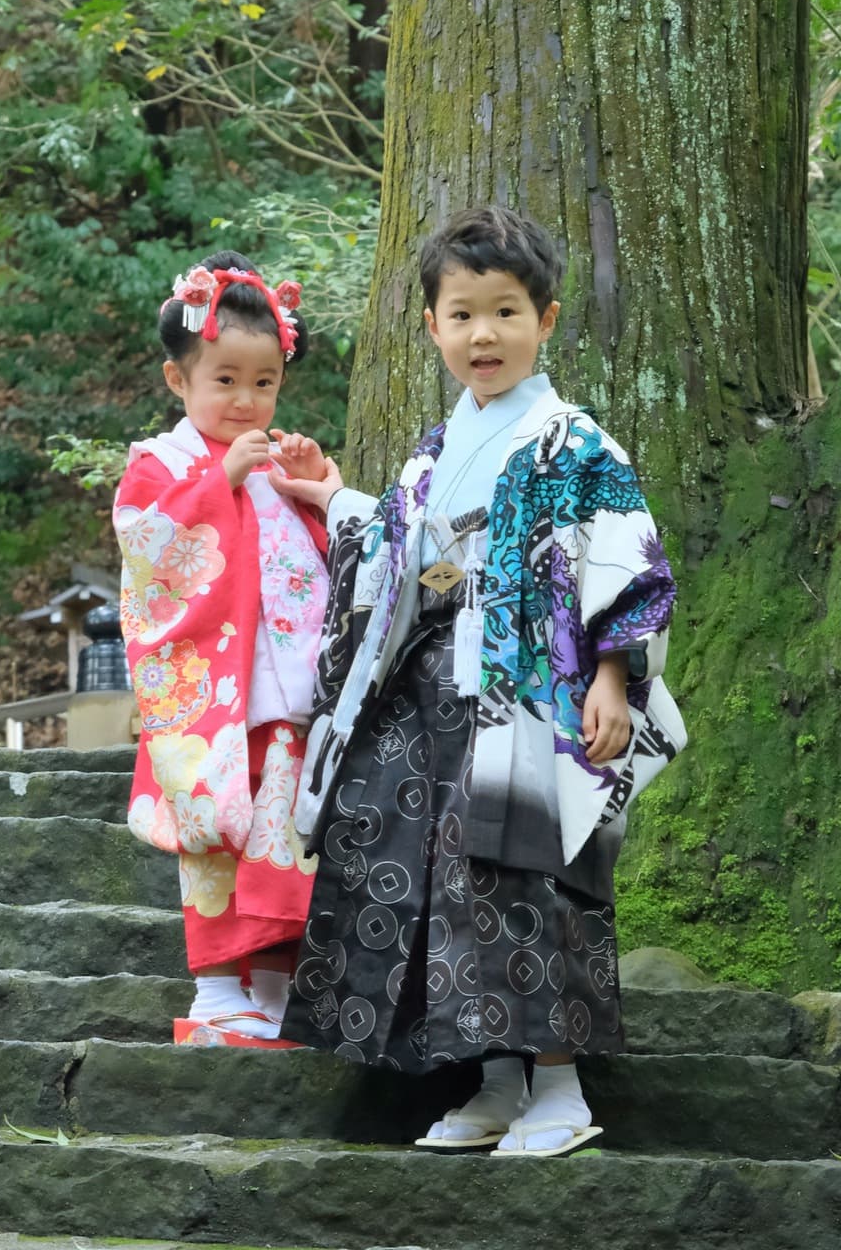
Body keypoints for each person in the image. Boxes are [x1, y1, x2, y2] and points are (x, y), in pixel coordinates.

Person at [272, 206, 686, 1152]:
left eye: (505, 312)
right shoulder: (431, 451)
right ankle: (494, 1080)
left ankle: (562, 1091)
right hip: (424, 693)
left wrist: (612, 680)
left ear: (545, 319)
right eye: (461, 314)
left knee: (524, 870)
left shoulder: (574, 442)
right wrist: (331, 495)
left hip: (525, 695)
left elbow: (629, 564)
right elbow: (395, 551)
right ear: (432, 327)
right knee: (435, 882)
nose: (483, 334)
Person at [113, 250, 331, 1045]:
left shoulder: (274, 461)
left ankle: (273, 990)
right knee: (213, 839)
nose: (246, 401)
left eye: (263, 382)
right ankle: (214, 992)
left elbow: (319, 562)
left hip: (288, 692)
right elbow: (147, 553)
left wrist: (316, 491)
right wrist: (218, 487)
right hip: (210, 697)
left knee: (285, 843)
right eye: (225, 380)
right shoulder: (160, 464)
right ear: (179, 381)